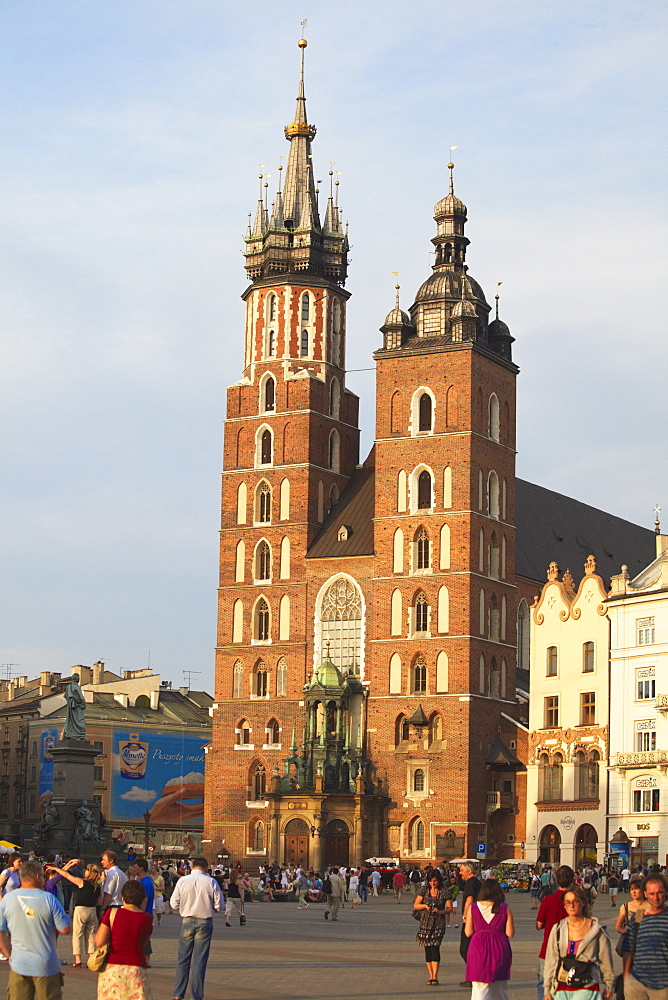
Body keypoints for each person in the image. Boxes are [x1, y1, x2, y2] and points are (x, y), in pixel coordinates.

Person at [0, 860, 72, 999]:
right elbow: (65, 929)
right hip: (46, 965)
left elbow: (1, 932)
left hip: (19, 964)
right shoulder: (49, 899)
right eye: (43, 876)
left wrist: (9, 955)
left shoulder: (8, 899)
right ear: (38, 877)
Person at [543, 885, 614, 1000]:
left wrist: (609, 984)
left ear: (583, 903)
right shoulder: (558, 929)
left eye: (576, 901)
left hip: (587, 985)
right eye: (568, 902)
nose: (572, 906)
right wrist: (547, 989)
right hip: (561, 987)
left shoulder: (596, 929)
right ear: (564, 906)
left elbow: (605, 959)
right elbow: (551, 960)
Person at [171, 857, 223, 1000]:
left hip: (187, 920)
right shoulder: (211, 881)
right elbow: (220, 905)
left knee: (183, 959)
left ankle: (177, 994)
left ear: (193, 867)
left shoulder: (182, 881)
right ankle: (196, 995)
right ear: (206, 868)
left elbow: (173, 903)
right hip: (204, 921)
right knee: (199, 960)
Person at [94, 877, 153, 1000]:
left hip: (112, 969)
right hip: (137, 969)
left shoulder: (111, 914)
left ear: (123, 898)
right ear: (142, 900)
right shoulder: (147, 919)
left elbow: (99, 941)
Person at [465, 878, 514, 1000]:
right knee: (500, 988)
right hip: (499, 948)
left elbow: (468, 932)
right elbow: (510, 933)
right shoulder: (504, 908)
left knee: (479, 989)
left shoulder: (473, 908)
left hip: (478, 947)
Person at [47, 860, 103, 966]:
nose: (84, 871)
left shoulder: (82, 882)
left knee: (77, 934)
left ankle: (78, 959)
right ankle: (91, 958)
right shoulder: (97, 886)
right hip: (92, 910)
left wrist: (56, 869)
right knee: (91, 935)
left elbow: (67, 876)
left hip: (80, 909)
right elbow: (99, 901)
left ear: (89, 872)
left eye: (86, 870)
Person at [622, 874, 668, 1000]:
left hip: (663, 986)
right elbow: (628, 948)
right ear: (645, 894)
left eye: (660, 893)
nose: (656, 897)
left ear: (666, 893)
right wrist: (627, 977)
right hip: (637, 984)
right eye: (652, 894)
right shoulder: (637, 918)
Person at [536, 865, 574, 1000]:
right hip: (571, 950)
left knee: (544, 983)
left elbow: (539, 924)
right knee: (569, 985)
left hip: (548, 949)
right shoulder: (577, 901)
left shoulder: (548, 900)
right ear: (573, 880)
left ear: (556, 880)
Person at [414, 871, 452, 986]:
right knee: (427, 948)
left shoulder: (445, 891)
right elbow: (416, 905)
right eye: (430, 881)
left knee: (435, 948)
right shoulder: (424, 890)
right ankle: (430, 975)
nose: (432, 883)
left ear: (439, 880)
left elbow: (450, 908)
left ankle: (435, 976)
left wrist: (440, 911)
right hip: (425, 922)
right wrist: (425, 906)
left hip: (438, 923)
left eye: (435, 881)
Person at [459, 861, 482, 987]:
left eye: (462, 870)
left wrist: (465, 916)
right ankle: (473, 976)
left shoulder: (470, 882)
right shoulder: (477, 882)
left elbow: (469, 899)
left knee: (465, 949)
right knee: (470, 949)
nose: (460, 873)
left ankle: (475, 976)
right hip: (477, 919)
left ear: (469, 871)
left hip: (471, 920)